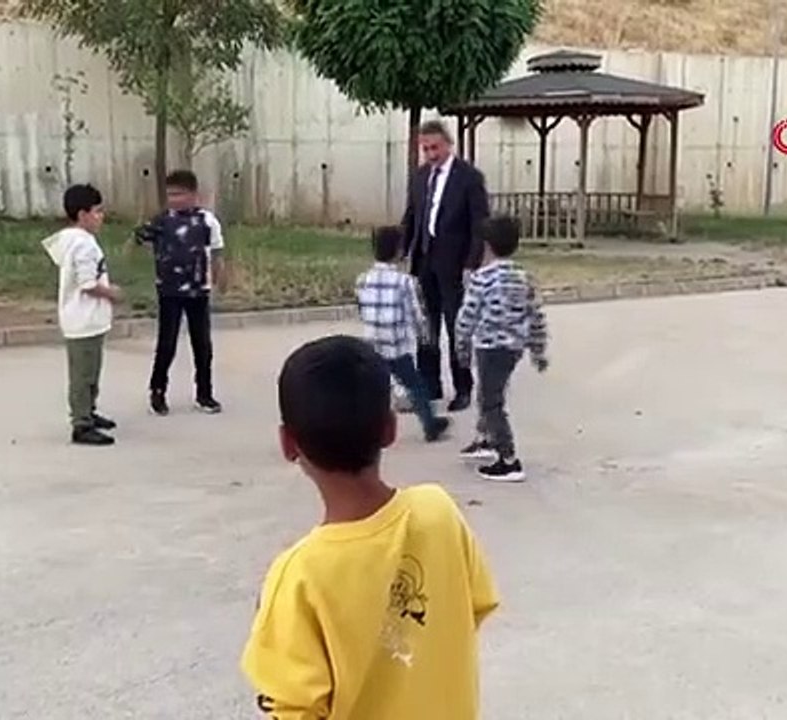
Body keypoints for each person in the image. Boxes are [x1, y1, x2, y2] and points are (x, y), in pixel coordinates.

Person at [242, 335, 499, 719]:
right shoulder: (439, 512)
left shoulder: (298, 577)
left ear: (288, 443)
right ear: (390, 429)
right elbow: (473, 606)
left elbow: (292, 709)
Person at [401, 119, 491, 413]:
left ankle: (463, 387)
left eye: (435, 147)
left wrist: (472, 263)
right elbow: (412, 216)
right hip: (424, 261)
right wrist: (401, 251)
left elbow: (480, 223)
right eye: (425, 149)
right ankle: (428, 385)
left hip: (455, 263)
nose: (431, 154)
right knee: (425, 326)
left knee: (456, 327)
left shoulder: (469, 178)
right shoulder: (419, 177)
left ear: (448, 144)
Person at [455, 216, 549, 483]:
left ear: (486, 246)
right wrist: (538, 350)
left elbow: (467, 316)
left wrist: (461, 347)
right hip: (513, 348)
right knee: (491, 392)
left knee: (491, 401)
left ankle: (508, 459)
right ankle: (486, 439)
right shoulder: (524, 277)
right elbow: (536, 316)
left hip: (489, 346)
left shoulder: (481, 278)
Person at [135, 169, 225, 416]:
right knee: (167, 343)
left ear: (194, 195)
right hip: (170, 291)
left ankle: (204, 394)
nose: (175, 199)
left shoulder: (207, 221)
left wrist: (217, 279)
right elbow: (140, 241)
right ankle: (158, 390)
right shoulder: (162, 221)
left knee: (202, 345)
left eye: (180, 194)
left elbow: (216, 253)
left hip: (198, 291)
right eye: (170, 195)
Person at [42, 184, 123, 446]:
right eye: (97, 212)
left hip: (86, 319)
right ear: (82, 214)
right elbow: (88, 284)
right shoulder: (84, 245)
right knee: (83, 375)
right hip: (83, 318)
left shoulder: (73, 240)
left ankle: (89, 410)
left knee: (91, 370)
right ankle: (81, 423)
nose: (101, 217)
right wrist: (110, 292)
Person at [356, 225, 451, 442]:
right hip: (396, 344)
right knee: (415, 384)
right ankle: (430, 424)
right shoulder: (405, 282)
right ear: (400, 251)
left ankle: (372, 431)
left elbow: (362, 308)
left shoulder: (363, 279)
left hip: (372, 341)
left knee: (376, 390)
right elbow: (415, 314)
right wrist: (425, 336)